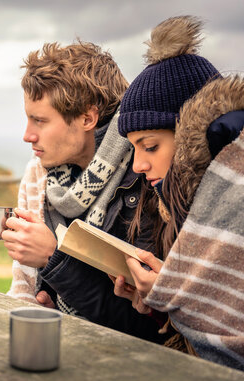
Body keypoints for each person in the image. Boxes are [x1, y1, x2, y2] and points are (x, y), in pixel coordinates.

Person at [3, 40, 169, 343]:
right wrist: (51, 303)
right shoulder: (41, 176)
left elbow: (151, 326)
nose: (27, 135)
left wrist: (53, 257)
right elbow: (31, 290)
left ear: (87, 118)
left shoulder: (147, 179)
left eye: (39, 120)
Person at [113, 15, 244, 370]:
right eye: (133, 149)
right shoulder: (173, 208)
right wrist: (156, 305)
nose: (138, 165)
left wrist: (170, 295)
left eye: (150, 146)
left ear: (190, 140)